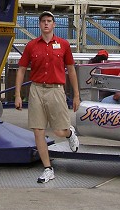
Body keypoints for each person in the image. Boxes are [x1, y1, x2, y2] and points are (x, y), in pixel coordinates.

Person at [14, 11, 81, 184]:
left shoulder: (64, 45)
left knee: (58, 130)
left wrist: (76, 95)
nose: (46, 24)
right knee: (38, 130)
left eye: (49, 21)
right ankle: (47, 168)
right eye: (43, 21)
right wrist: (18, 95)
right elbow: (21, 69)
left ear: (54, 24)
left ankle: (69, 132)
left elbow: (71, 69)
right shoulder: (32, 46)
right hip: (36, 89)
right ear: (39, 24)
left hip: (56, 89)